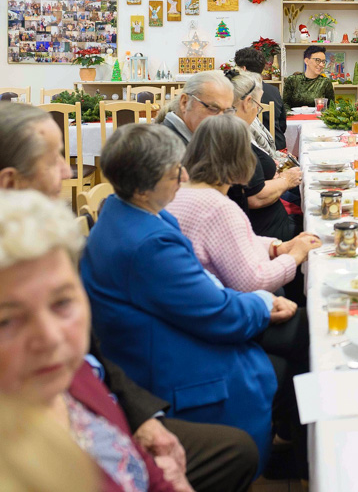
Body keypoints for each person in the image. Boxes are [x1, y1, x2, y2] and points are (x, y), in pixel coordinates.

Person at [0, 103, 259, 492]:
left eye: (63, 303)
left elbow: (92, 359)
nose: (70, 170)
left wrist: (143, 420)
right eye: (53, 157)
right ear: (9, 182)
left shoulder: (62, 242)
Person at [79, 124, 296, 471]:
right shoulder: (149, 242)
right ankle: (276, 457)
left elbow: (199, 284)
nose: (182, 175)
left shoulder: (129, 211)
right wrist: (263, 303)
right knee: (283, 360)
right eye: (174, 170)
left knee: (283, 356)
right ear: (147, 182)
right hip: (161, 364)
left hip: (153, 338)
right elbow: (217, 313)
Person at [0, 189, 175, 492]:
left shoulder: (69, 374)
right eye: (7, 320)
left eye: (62, 303)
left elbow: (136, 460)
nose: (51, 338)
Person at [166, 114, 320, 293]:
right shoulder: (218, 208)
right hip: (231, 304)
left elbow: (235, 243)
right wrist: (295, 256)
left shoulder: (179, 192)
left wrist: (277, 248)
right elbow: (255, 282)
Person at [225, 70, 304, 242]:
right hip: (266, 235)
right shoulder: (233, 137)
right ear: (247, 102)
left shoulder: (231, 129)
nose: (256, 111)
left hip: (267, 225)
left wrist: (276, 176)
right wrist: (286, 180)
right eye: (257, 105)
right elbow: (255, 197)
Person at [158, 70, 235, 143]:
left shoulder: (198, 138)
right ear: (184, 103)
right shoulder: (166, 147)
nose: (221, 119)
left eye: (227, 111)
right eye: (213, 109)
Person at [235, 46, 288, 150]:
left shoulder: (236, 93)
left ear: (243, 69)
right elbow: (282, 125)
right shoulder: (274, 90)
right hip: (277, 145)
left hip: (251, 148)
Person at [281, 45, 335, 110]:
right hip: (294, 118)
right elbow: (284, 105)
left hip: (318, 119)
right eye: (317, 60)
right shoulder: (292, 80)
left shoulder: (325, 82)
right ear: (307, 61)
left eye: (323, 62)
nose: (321, 65)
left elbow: (331, 107)